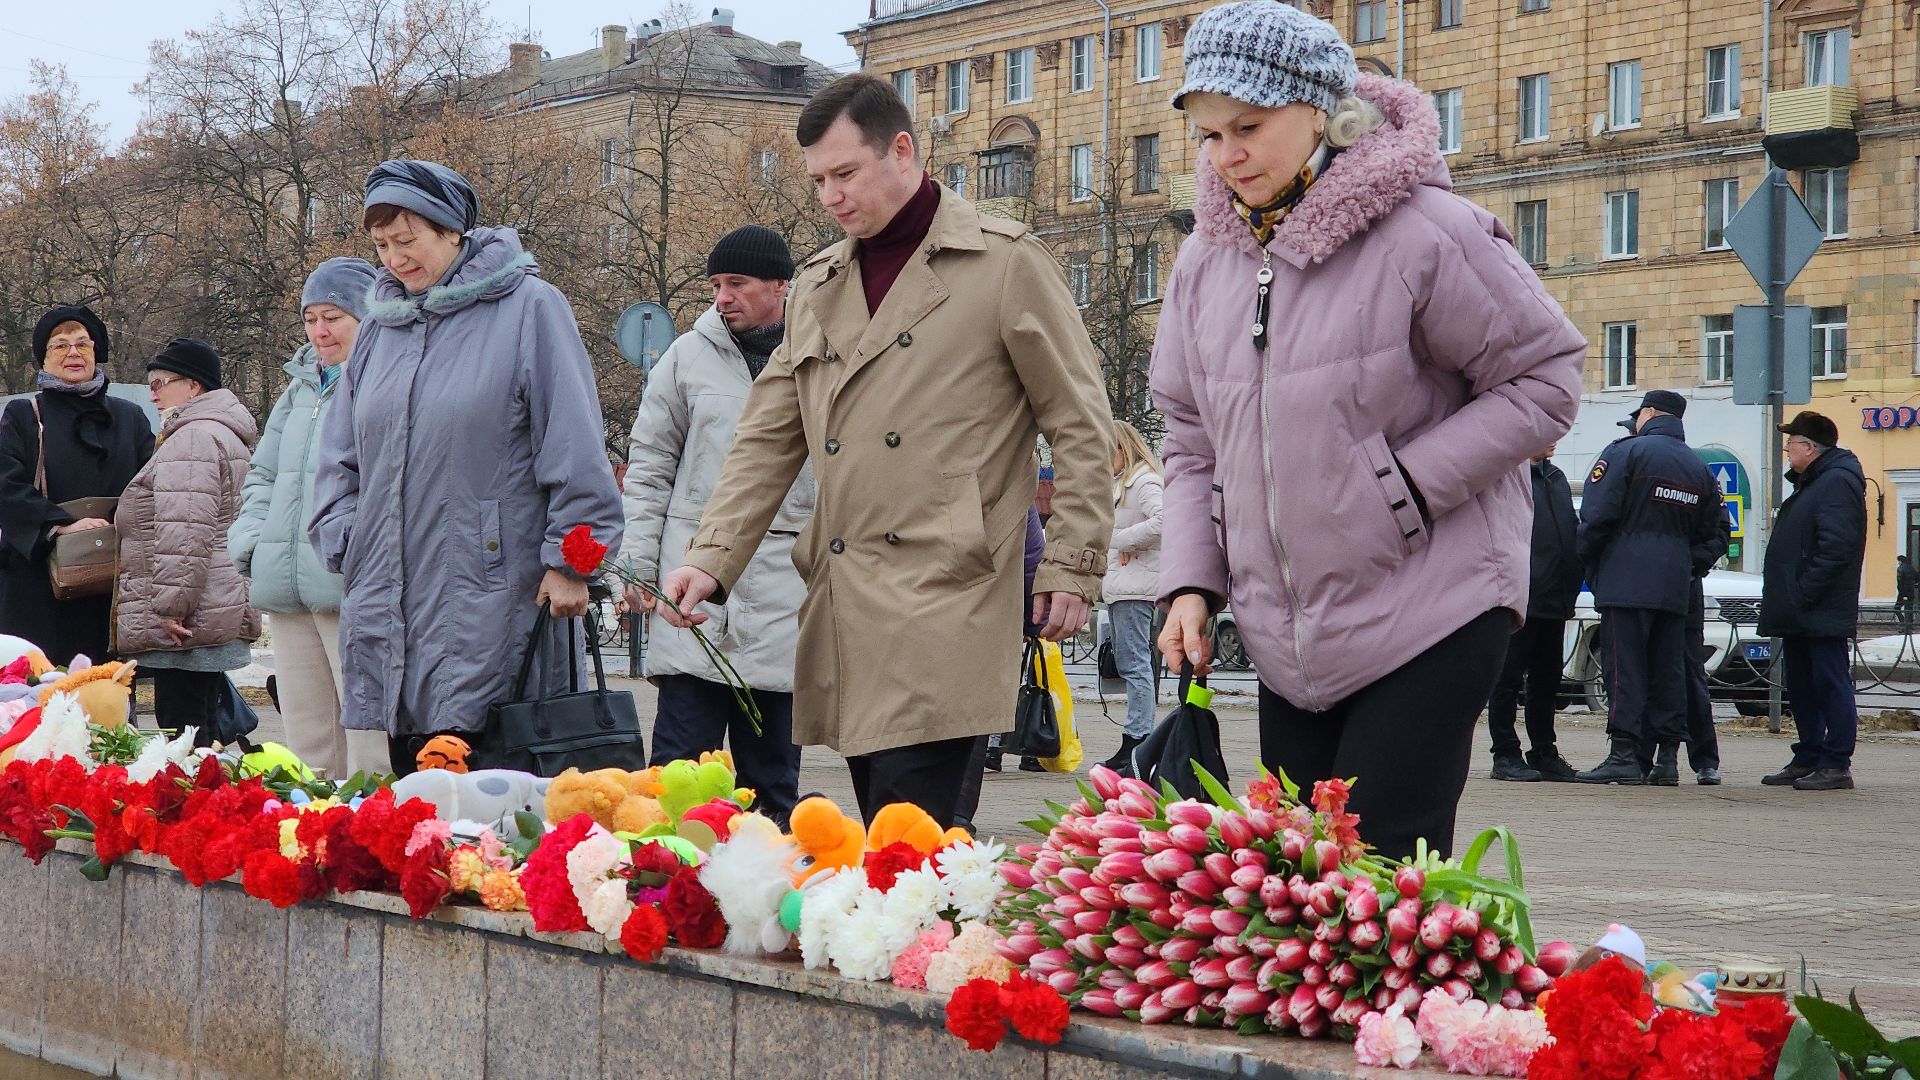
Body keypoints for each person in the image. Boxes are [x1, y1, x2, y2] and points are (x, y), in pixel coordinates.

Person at [1151, 2, 1584, 861]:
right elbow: (1190, 439)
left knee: (1378, 873)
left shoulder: (1428, 232)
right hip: (1289, 634)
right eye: (1208, 135)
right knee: (1300, 886)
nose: (1227, 154)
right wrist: (1191, 582)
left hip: (1432, 602)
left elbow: (1546, 380)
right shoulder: (1206, 260)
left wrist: (1406, 488)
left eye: (1248, 126)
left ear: (1322, 111)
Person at [657, 74, 1115, 828]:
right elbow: (768, 437)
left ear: (902, 150)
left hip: (951, 594)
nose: (831, 196)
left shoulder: (1004, 262)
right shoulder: (819, 285)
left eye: (846, 173)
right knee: (885, 845)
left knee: (915, 845)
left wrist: (1071, 562)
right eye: (818, 181)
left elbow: (1080, 422)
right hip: (846, 600)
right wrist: (711, 559)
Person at [309, 159, 624, 776]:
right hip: (390, 593)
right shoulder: (381, 328)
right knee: (417, 805)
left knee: (497, 802)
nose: (395, 259)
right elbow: (339, 454)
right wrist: (346, 534)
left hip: (496, 592)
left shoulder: (530, 308)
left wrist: (571, 562)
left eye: (408, 241)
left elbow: (575, 443)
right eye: (381, 246)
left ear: (452, 231)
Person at [621, 226, 810, 824]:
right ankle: (667, 894)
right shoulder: (685, 357)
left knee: (773, 782)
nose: (722, 297)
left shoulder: (820, 351)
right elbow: (649, 467)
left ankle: (763, 904)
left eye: (738, 284)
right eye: (716, 285)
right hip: (691, 589)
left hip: (786, 585)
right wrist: (639, 567)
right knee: (678, 779)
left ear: (781, 286)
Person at [229, 258, 389, 779]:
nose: (320, 331)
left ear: (368, 317)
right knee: (306, 738)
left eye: (334, 317)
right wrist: (252, 541)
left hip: (352, 586)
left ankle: (376, 836)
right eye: (310, 318)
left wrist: (361, 551)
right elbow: (264, 475)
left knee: (371, 739)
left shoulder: (383, 381)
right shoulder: (297, 389)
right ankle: (314, 843)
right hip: (288, 587)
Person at [1574, 390, 1723, 785]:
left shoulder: (1625, 452)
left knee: (1624, 668)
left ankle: (1624, 754)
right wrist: (1687, 564)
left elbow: (1596, 514)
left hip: (1626, 580)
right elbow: (1716, 531)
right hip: (1675, 586)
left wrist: (1592, 563)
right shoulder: (1698, 467)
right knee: (1667, 670)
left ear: (1650, 413)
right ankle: (1667, 760)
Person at [115, 338, 261, 740]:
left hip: (189, 620)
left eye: (161, 382)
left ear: (193, 387)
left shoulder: (193, 437)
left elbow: (185, 532)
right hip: (213, 603)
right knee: (202, 732)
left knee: (183, 736)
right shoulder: (222, 432)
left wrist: (170, 607)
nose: (152, 393)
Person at [0, 306, 155, 667]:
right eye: (61, 345)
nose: (73, 353)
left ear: (96, 352)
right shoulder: (24, 416)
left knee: (106, 698)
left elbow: (150, 485)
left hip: (112, 583)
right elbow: (6, 485)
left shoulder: (129, 418)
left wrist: (117, 525)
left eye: (83, 344)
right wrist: (62, 525)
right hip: (39, 587)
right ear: (44, 358)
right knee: (43, 698)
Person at [1759, 411, 1866, 791]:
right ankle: (1809, 754)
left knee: (1830, 682)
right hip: (1801, 609)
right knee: (1803, 685)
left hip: (1819, 608)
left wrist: (1802, 593)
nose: (1787, 450)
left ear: (1809, 447)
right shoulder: (1814, 482)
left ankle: (1836, 762)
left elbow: (1836, 549)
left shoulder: (1836, 482)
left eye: (1791, 444)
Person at [1486, 446, 1581, 782]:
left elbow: (1569, 531)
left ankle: (1544, 750)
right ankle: (1505, 753)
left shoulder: (1555, 478)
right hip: (1519, 597)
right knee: (1507, 680)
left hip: (1554, 599)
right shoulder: (1509, 475)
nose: (1555, 440)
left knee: (1547, 681)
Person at [1100, 420, 1164, 775]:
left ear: (1123, 449)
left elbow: (1162, 520)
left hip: (1135, 586)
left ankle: (1139, 737)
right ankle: (1136, 736)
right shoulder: (1127, 482)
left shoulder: (1143, 481)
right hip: (1125, 583)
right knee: (1130, 662)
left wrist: (1120, 538)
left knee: (1135, 663)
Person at [1681, 515, 1732, 785]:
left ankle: (1705, 760)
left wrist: (1692, 561)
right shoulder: (1631, 472)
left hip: (1685, 589)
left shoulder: (1698, 477)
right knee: (1643, 677)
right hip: (1643, 590)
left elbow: (1721, 531)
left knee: (1691, 677)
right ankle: (1643, 758)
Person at [1896, 555, 1917, 633]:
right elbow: (1917, 578)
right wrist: (1914, 585)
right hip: (1911, 593)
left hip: (1903, 593)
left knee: (1896, 608)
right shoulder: (1911, 568)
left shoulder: (1900, 569)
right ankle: (1908, 626)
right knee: (1908, 609)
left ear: (1900, 561)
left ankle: (1904, 626)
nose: (1898, 563)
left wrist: (1901, 592)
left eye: (1898, 561)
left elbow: (1899, 582)